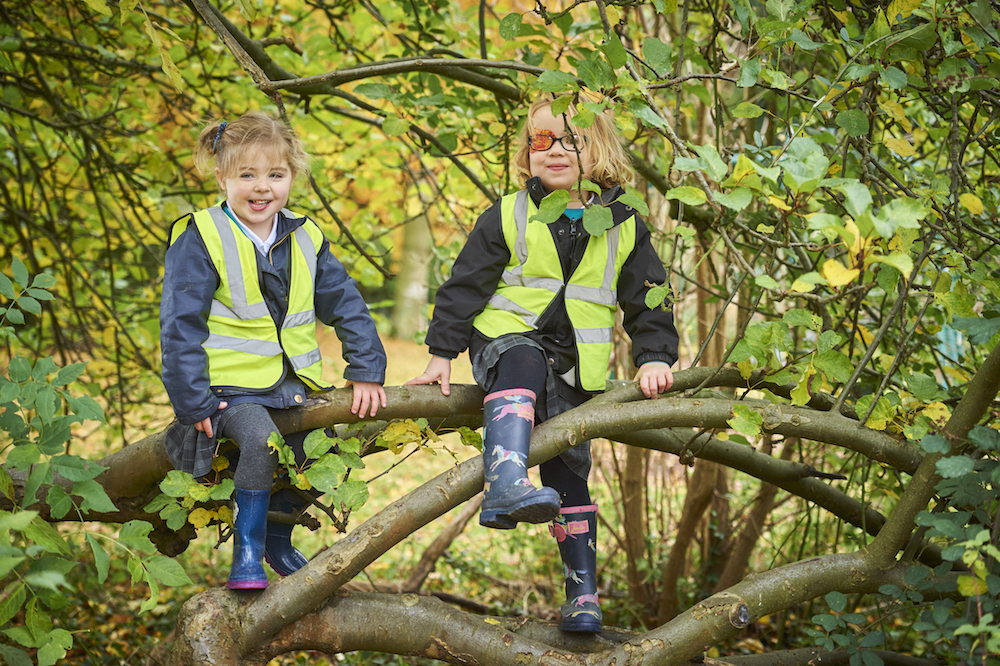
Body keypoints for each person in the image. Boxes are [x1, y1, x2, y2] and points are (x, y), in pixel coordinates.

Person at [406, 94, 679, 632]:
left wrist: (653, 358)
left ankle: (583, 596)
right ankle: (504, 482)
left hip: (577, 367)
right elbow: (465, 287)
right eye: (540, 140)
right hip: (507, 343)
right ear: (527, 151)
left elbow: (648, 298)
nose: (553, 150)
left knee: (569, 475)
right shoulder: (508, 213)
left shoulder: (624, 223)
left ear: (596, 148)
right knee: (524, 360)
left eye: (569, 140)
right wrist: (441, 353)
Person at [160, 111, 387, 590]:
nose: (262, 187)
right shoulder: (201, 236)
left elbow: (346, 303)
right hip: (229, 390)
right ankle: (246, 550)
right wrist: (191, 400)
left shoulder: (306, 235)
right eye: (247, 175)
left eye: (275, 174)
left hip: (292, 386)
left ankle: (275, 540)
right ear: (222, 177)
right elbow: (179, 325)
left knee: (321, 452)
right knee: (263, 442)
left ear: (292, 177)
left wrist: (366, 367)